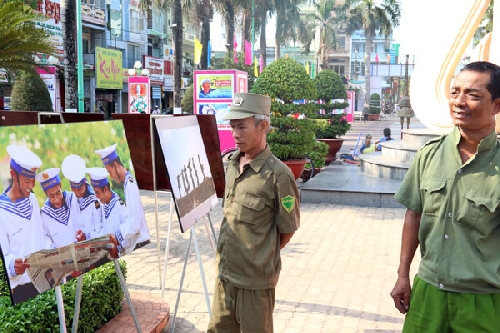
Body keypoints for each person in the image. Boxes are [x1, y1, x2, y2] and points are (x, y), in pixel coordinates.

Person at [390, 61, 500, 332]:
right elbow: (413, 216)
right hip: (429, 294)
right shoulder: (429, 155)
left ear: (496, 105)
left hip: (483, 300)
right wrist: (403, 276)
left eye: (473, 95)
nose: (459, 101)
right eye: (454, 92)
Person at [207, 93, 300, 332]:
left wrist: (259, 253)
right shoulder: (230, 163)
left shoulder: (278, 176)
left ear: (263, 126)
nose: (235, 134)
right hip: (225, 276)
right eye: (232, 127)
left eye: (241, 127)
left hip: (255, 284)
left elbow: (287, 231)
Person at [0, 145, 47, 303]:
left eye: (33, 181)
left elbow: (40, 237)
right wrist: (13, 266)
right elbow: (4, 255)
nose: (31, 186)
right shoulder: (1, 211)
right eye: (27, 181)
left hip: (44, 280)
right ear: (13, 174)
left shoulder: (33, 200)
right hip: (22, 288)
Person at [94, 144, 150, 252]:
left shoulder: (130, 184)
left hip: (142, 243)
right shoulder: (127, 184)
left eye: (110, 172)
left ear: (115, 165)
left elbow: (135, 223)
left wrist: (118, 235)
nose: (111, 176)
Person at [36, 168, 84, 248]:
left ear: (60, 186)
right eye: (51, 196)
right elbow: (44, 237)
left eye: (58, 193)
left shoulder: (74, 199)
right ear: (46, 194)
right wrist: (51, 247)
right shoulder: (44, 214)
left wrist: (84, 233)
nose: (56, 200)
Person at [61, 155, 103, 240]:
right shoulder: (72, 199)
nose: (77, 193)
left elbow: (101, 231)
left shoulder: (96, 201)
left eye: (79, 189)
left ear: (84, 182)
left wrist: (87, 236)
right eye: (73, 189)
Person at [87, 167, 125, 258]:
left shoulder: (119, 206)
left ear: (106, 189)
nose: (96, 196)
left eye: (98, 193)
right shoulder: (104, 204)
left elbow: (128, 235)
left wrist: (117, 249)